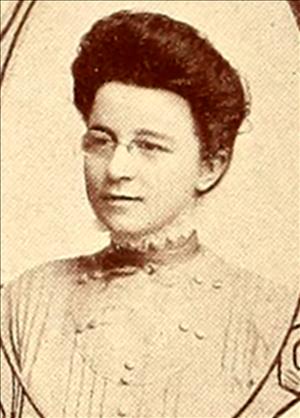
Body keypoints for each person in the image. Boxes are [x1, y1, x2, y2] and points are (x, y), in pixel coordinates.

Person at [1, 10, 299, 418]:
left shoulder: (269, 316)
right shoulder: (26, 302)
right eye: (101, 141)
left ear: (210, 165)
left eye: (150, 146)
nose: (116, 169)